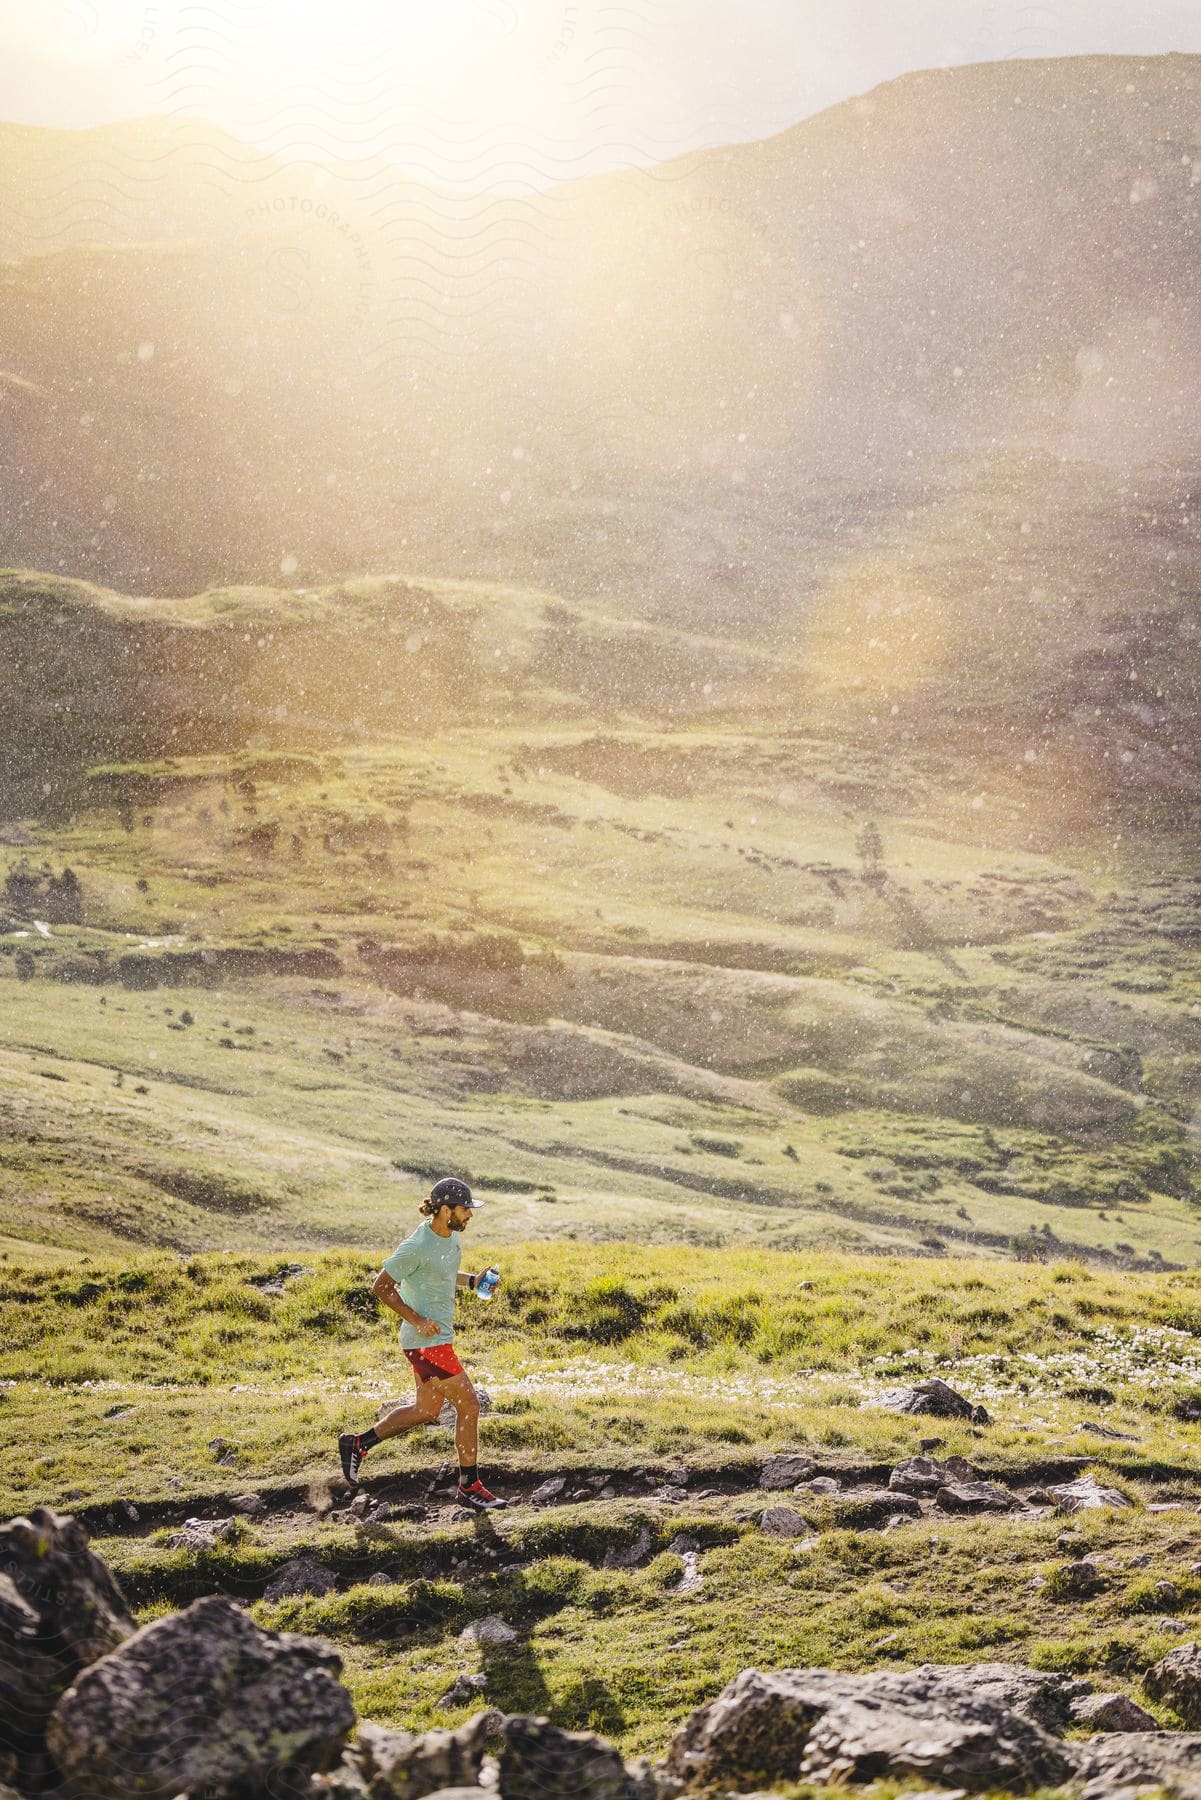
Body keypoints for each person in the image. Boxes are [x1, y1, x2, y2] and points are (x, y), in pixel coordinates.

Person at [338, 1176, 505, 1510]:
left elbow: (441, 1274)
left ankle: (358, 1444)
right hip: (427, 1342)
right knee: (469, 1405)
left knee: (426, 1410)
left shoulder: (450, 1239)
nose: (470, 1215)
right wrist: (417, 1320)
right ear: (445, 1210)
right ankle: (469, 1486)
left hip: (432, 1341)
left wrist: (473, 1281)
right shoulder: (416, 1245)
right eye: (465, 1209)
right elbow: (381, 1286)